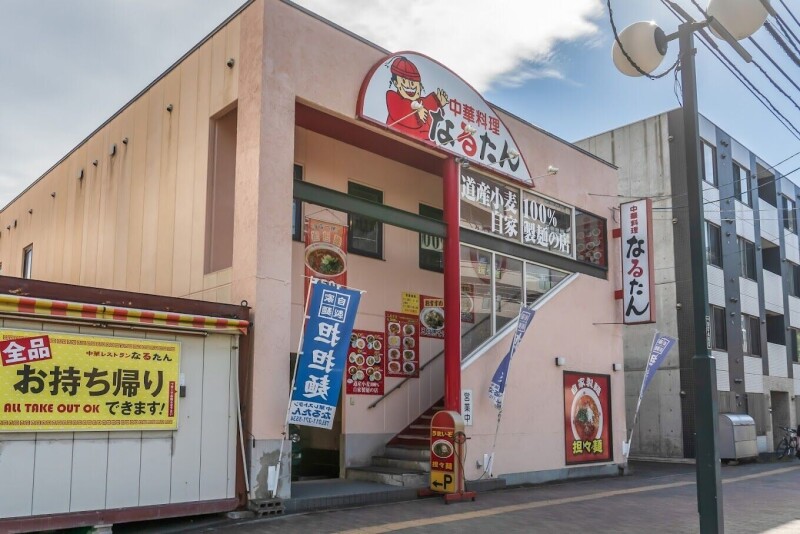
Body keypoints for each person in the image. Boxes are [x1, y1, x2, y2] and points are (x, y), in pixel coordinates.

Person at [385, 56, 448, 141]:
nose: (410, 86)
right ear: (396, 83)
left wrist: (437, 100)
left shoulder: (421, 102)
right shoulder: (392, 96)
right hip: (395, 139)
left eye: (414, 83)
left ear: (419, 85)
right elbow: (400, 109)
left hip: (424, 146)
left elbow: (427, 103)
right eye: (404, 82)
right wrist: (417, 112)